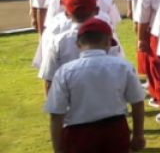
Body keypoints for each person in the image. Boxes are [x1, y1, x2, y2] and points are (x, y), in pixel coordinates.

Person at [43, 17, 145, 153]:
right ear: (108, 42)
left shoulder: (64, 72)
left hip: (78, 134)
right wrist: (138, 135)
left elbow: (56, 114)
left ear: (78, 44)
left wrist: (58, 148)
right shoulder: (123, 66)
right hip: (115, 131)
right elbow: (137, 102)